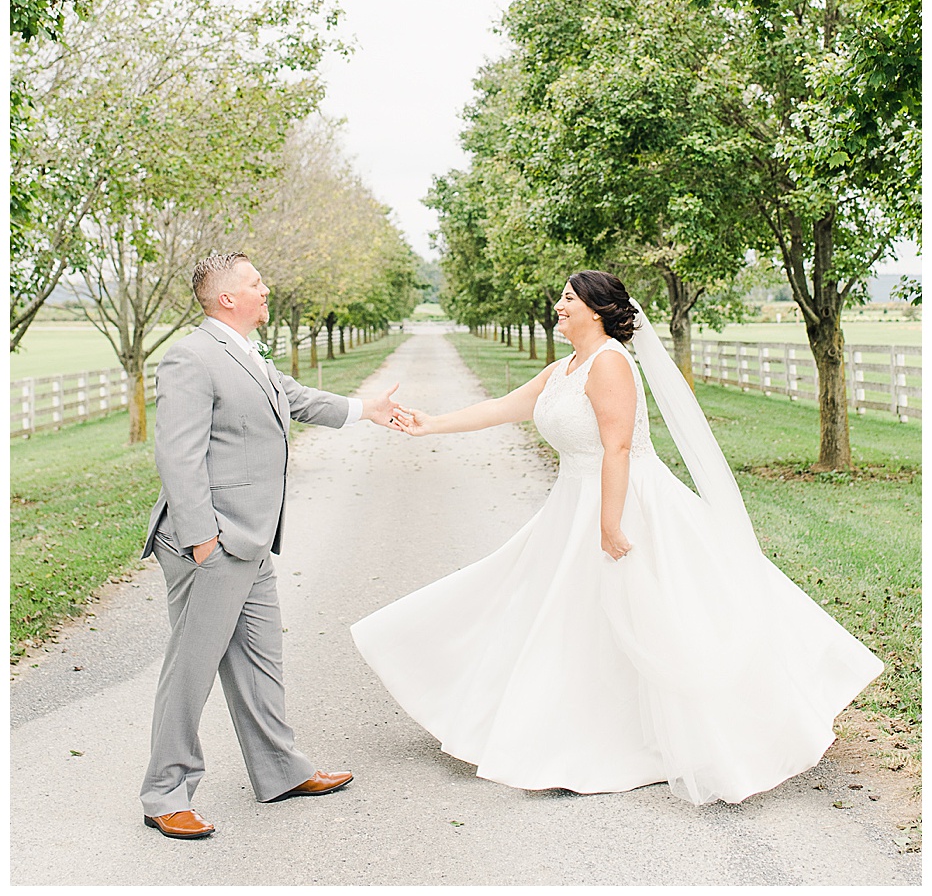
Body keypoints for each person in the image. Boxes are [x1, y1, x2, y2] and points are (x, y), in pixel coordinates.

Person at [351, 270, 883, 805]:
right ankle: (570, 729)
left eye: (568, 299)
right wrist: (429, 423)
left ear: (598, 310)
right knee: (561, 611)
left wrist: (609, 523)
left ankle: (704, 726)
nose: (558, 305)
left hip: (622, 501)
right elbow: (503, 408)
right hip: (572, 502)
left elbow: (619, 448)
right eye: (561, 297)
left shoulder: (609, 364)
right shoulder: (565, 368)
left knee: (651, 615)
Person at [140, 251, 403, 839]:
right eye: (255, 283)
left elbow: (294, 397)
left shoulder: (247, 352)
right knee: (191, 670)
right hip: (211, 541)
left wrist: (367, 411)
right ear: (227, 297)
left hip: (252, 539)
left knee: (261, 662)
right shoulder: (191, 356)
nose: (266, 289)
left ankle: (280, 770)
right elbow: (178, 457)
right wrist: (203, 539)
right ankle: (165, 792)